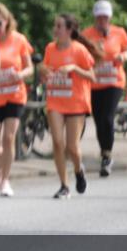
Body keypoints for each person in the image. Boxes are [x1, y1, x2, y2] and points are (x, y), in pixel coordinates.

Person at [40, 14, 100, 199]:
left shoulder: (79, 50)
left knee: (72, 147)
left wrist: (74, 68)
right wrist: (43, 72)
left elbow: (92, 76)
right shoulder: (50, 48)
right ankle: (64, 185)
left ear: (69, 30)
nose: (55, 29)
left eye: (59, 26)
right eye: (55, 25)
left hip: (76, 102)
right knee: (58, 142)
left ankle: (78, 170)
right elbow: (44, 72)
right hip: (56, 99)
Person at [0, 2, 33, 197]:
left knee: (9, 137)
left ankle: (5, 180)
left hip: (15, 94)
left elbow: (30, 68)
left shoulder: (19, 40)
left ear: (7, 21)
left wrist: (20, 75)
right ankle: (1, 166)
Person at [81, 0, 127, 177]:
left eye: (105, 17)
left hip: (114, 82)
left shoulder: (119, 33)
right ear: (95, 17)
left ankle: (107, 155)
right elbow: (81, 55)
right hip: (94, 83)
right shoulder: (86, 35)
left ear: (109, 17)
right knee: (98, 119)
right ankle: (104, 151)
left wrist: (123, 56)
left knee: (107, 117)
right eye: (99, 16)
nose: (102, 20)